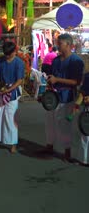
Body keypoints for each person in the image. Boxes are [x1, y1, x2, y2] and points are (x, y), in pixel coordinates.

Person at [44, 33, 84, 161]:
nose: (57, 45)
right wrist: (50, 83)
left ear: (68, 45)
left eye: (59, 43)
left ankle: (67, 150)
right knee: (50, 122)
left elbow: (76, 82)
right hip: (54, 95)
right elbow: (53, 77)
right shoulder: (55, 60)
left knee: (64, 124)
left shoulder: (76, 61)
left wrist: (57, 79)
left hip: (67, 96)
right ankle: (49, 145)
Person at [0, 41, 25, 153]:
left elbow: (19, 80)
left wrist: (8, 90)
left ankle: (12, 143)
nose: (7, 56)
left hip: (12, 92)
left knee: (10, 118)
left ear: (14, 52)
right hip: (0, 89)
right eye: (6, 54)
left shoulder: (19, 63)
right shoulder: (0, 60)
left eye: (9, 54)